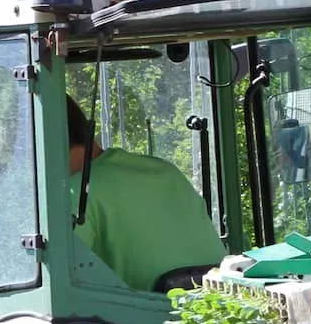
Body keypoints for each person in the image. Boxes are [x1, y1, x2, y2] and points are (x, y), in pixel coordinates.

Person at [67, 95, 225, 293]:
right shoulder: (166, 171)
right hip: (220, 310)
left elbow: (62, 278)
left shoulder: (78, 191)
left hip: (144, 320)